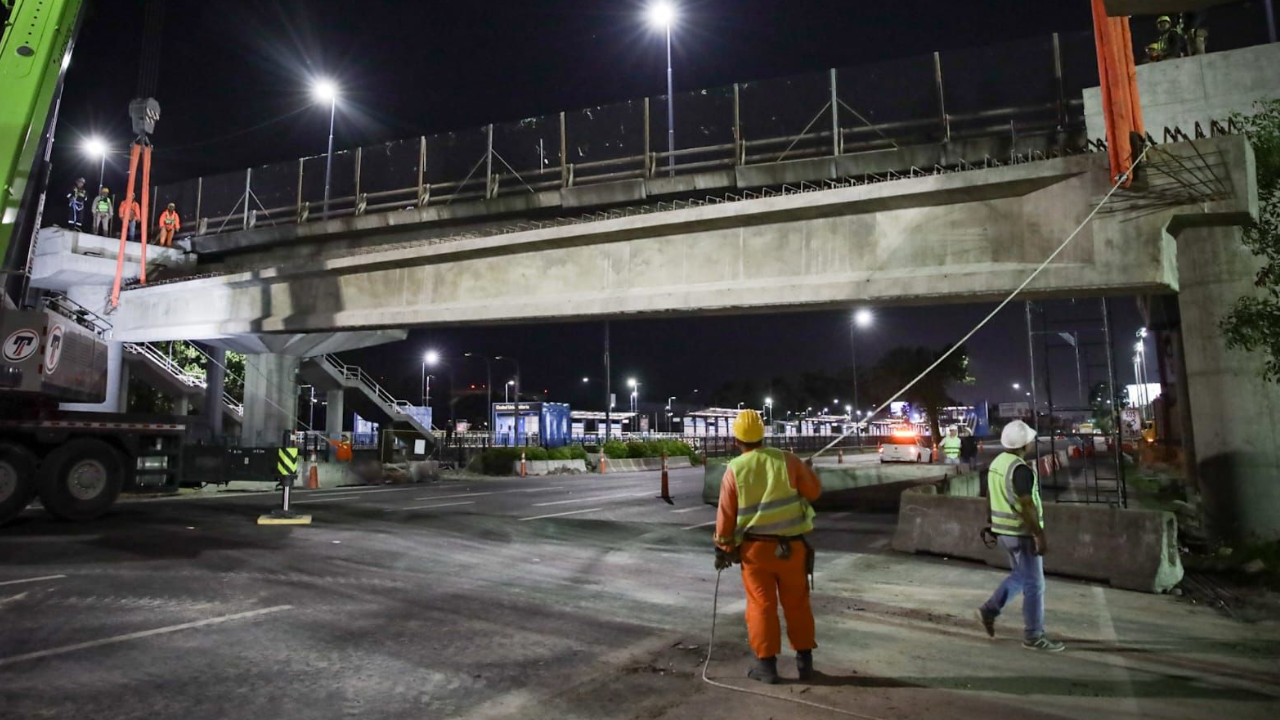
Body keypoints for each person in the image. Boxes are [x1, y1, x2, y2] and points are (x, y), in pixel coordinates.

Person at [714, 410, 822, 684]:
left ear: (735, 438)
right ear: (763, 433)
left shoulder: (735, 469)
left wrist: (724, 547)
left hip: (756, 552)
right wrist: (804, 470)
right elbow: (814, 492)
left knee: (761, 605)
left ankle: (767, 668)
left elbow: (725, 516)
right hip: (792, 549)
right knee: (797, 604)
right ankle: (805, 665)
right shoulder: (787, 460)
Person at [977, 420, 1065, 652]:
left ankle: (990, 609)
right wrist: (1039, 535)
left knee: (1020, 576)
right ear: (1025, 443)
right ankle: (1033, 635)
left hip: (1004, 532)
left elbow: (988, 495)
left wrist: (991, 522)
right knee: (1035, 585)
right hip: (1021, 533)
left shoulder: (997, 463)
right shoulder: (1020, 469)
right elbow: (1027, 505)